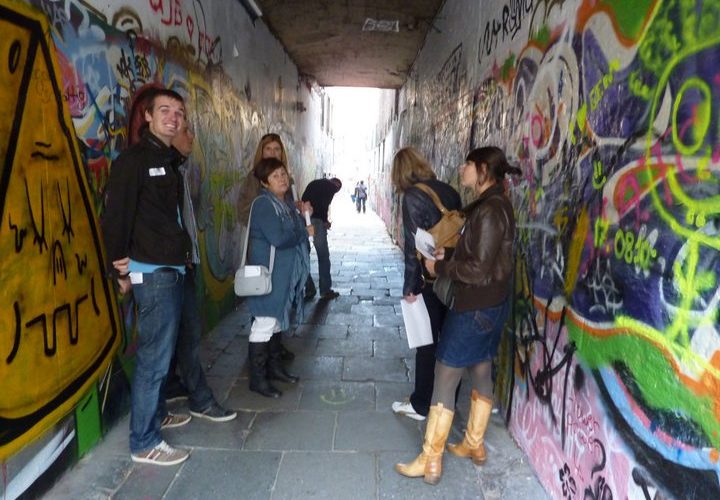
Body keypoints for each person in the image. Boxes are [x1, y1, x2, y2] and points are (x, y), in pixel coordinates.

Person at [395, 146, 521, 485]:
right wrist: (449, 252)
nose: (461, 168)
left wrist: (439, 267)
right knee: (481, 367)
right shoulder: (492, 205)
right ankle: (474, 443)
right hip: (491, 303)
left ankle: (430, 459)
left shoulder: (490, 209)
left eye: (467, 164)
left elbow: (477, 269)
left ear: (482, 170)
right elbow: (482, 254)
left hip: (474, 305)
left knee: (444, 375)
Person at [102, 88, 192, 466]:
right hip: (152, 273)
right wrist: (116, 267)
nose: (173, 117)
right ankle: (144, 442)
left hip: (169, 269)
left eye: (179, 112)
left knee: (161, 354)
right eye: (165, 110)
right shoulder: (135, 161)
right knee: (154, 359)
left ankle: (156, 416)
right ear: (148, 117)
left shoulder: (169, 160)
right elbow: (116, 216)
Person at [166, 120, 238, 422]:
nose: (192, 136)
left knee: (183, 334)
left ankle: (176, 388)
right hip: (168, 268)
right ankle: (199, 399)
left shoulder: (178, 169)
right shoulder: (159, 170)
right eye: (185, 130)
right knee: (182, 336)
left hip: (183, 264)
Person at [389, 147, 461, 422]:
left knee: (426, 342)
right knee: (450, 342)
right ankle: (447, 401)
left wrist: (409, 287)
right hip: (453, 273)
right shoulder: (449, 190)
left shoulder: (413, 196)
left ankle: (421, 404)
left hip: (431, 278)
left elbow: (412, 247)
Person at [246, 157, 313, 398]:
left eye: (283, 173)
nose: (282, 178)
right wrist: (303, 232)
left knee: (274, 323)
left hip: (281, 276)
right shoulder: (264, 204)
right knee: (264, 323)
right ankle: (258, 379)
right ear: (265, 183)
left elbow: (292, 229)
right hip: (268, 276)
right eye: (275, 176)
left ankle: (274, 369)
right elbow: (279, 238)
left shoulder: (283, 204)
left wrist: (303, 214)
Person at [237, 133, 307, 356]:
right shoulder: (255, 182)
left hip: (284, 257)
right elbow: (246, 212)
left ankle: (274, 351)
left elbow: (290, 215)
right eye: (269, 149)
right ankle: (264, 355)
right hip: (266, 252)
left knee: (278, 305)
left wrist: (296, 209)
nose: (273, 153)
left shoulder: (287, 180)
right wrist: (269, 219)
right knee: (264, 309)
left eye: (277, 149)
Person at [301, 177, 342, 300]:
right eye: (338, 188)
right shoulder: (331, 187)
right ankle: (325, 290)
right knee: (323, 256)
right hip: (316, 221)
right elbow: (323, 205)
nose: (336, 191)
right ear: (336, 184)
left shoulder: (315, 183)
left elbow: (304, 199)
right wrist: (324, 221)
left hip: (304, 219)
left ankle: (309, 288)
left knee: (303, 256)